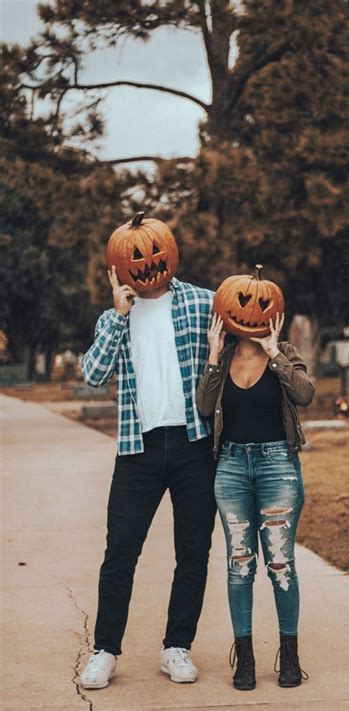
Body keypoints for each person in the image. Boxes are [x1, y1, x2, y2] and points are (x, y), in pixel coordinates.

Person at [79, 259, 216, 689]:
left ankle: (177, 646)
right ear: (116, 270)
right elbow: (94, 374)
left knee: (193, 551)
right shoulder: (113, 317)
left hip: (194, 443)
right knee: (120, 551)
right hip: (138, 449)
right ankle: (105, 650)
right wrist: (119, 314)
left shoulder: (202, 302)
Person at [196, 311, 315, 690]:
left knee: (280, 564)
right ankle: (244, 660)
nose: (249, 313)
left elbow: (305, 394)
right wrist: (213, 356)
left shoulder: (284, 352)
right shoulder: (224, 355)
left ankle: (290, 656)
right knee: (240, 565)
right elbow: (203, 407)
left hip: (277, 466)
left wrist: (273, 353)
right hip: (231, 468)